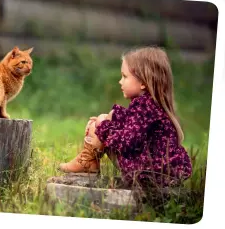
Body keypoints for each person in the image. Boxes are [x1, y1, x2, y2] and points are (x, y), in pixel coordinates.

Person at [58, 46, 193, 189]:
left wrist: (102, 126)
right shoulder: (151, 105)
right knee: (104, 119)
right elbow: (132, 125)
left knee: (102, 124)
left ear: (143, 83)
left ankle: (87, 162)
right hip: (159, 172)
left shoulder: (144, 107)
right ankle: (88, 162)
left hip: (147, 175)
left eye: (125, 76)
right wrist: (107, 118)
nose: (120, 81)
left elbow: (126, 143)